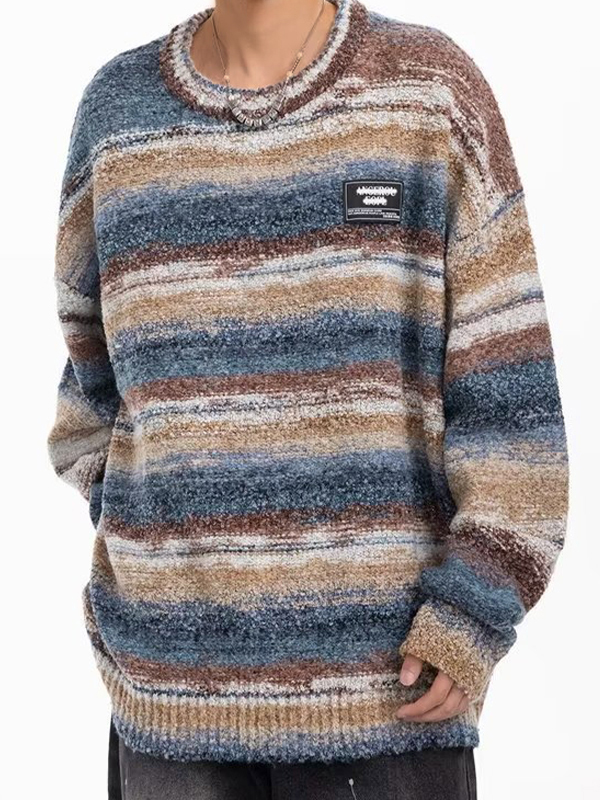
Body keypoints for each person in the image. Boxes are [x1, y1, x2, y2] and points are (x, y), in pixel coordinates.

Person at [47, 1, 569, 798]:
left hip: (391, 703)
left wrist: (475, 605)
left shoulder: (427, 92)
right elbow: (92, 395)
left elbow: (513, 400)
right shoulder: (117, 118)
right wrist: (155, 551)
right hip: (170, 713)